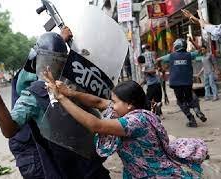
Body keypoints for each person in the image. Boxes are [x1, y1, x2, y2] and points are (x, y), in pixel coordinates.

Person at [0, 31, 110, 179]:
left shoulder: (34, 95)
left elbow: (8, 130)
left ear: (36, 58)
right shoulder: (75, 81)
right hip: (90, 164)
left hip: (70, 168)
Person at [43, 68, 208, 179]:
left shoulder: (136, 120)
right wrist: (70, 92)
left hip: (156, 174)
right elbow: (99, 102)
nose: (111, 105)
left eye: (115, 101)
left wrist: (61, 98)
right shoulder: (124, 110)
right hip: (136, 172)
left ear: (129, 104)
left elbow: (96, 125)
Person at [156, 38, 207, 127]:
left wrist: (161, 69)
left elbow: (158, 60)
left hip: (176, 83)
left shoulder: (170, 56)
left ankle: (191, 119)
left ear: (176, 46)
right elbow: (200, 50)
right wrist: (192, 41)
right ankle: (197, 111)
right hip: (187, 82)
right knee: (191, 98)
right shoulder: (189, 55)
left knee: (180, 102)